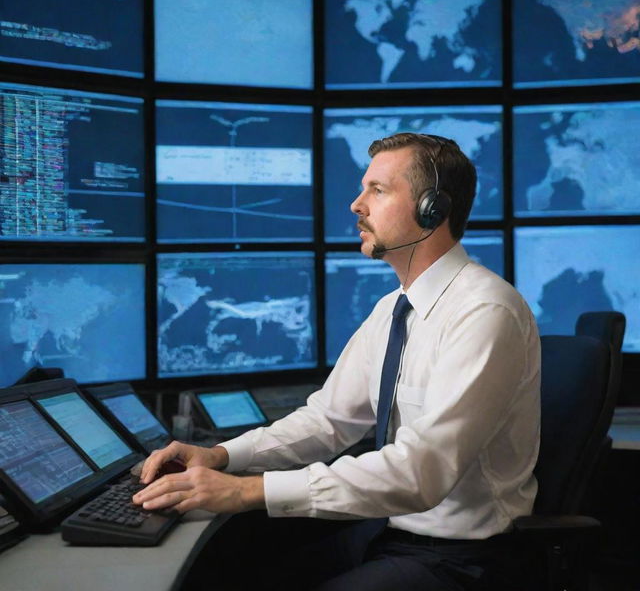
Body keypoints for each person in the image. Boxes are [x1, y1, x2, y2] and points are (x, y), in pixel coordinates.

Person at [133, 133, 541, 590]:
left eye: (378, 190)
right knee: (243, 572)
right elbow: (328, 420)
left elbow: (421, 472)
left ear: (433, 209)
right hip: (393, 532)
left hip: (464, 558)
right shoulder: (393, 309)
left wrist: (248, 491)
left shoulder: (485, 311)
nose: (356, 205)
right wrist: (222, 456)